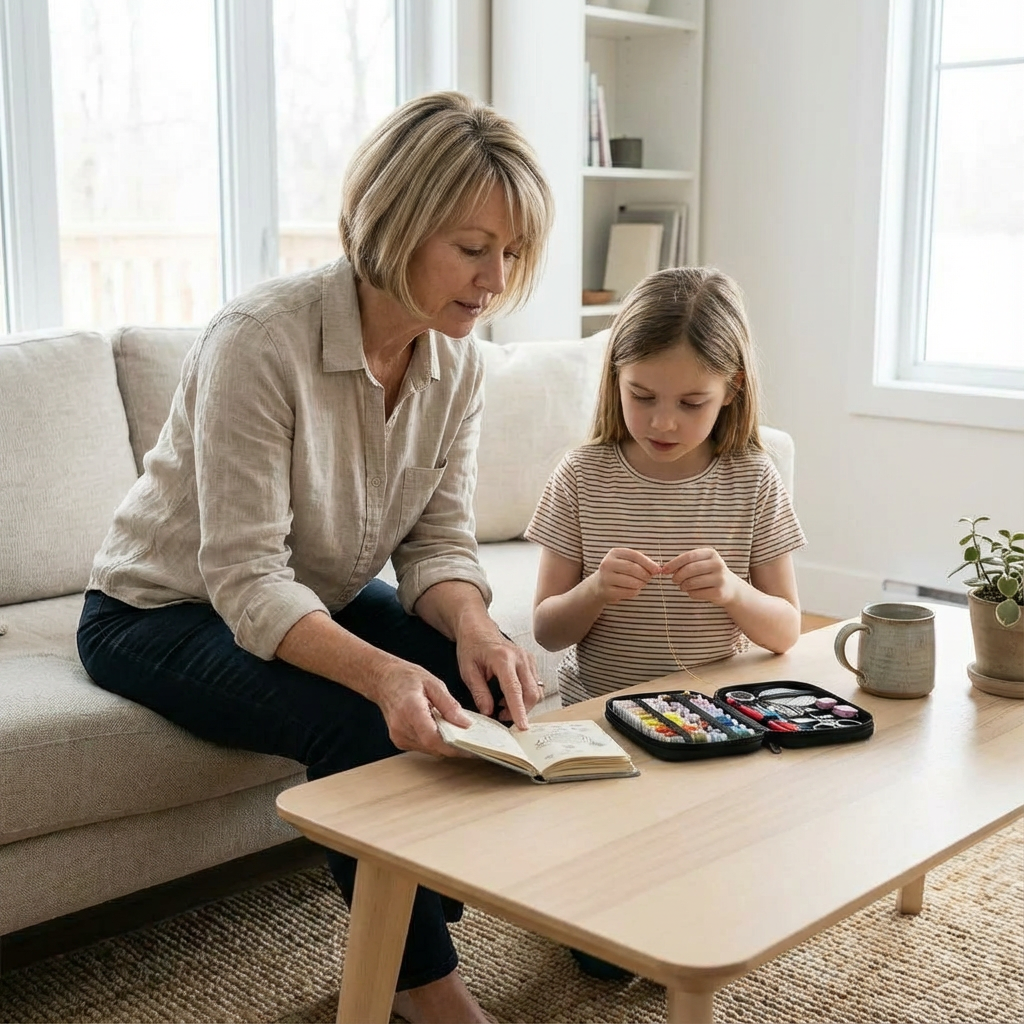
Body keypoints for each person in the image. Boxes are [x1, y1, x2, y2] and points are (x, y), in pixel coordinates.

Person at [77, 91, 553, 1024]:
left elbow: (438, 541)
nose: (494, 278)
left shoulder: (454, 363)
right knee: (365, 722)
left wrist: (475, 626)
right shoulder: (263, 339)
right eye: (471, 246)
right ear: (398, 221)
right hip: (158, 611)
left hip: (305, 597)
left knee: (480, 685)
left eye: (511, 253)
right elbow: (246, 579)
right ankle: (427, 993)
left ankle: (430, 911)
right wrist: (378, 675)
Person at [527, 266, 806, 707]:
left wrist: (733, 591)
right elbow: (547, 632)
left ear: (731, 390)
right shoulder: (581, 475)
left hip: (712, 714)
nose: (662, 422)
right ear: (616, 375)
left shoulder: (753, 479)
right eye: (641, 396)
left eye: (691, 403)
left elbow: (787, 631)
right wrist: (595, 589)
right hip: (599, 715)